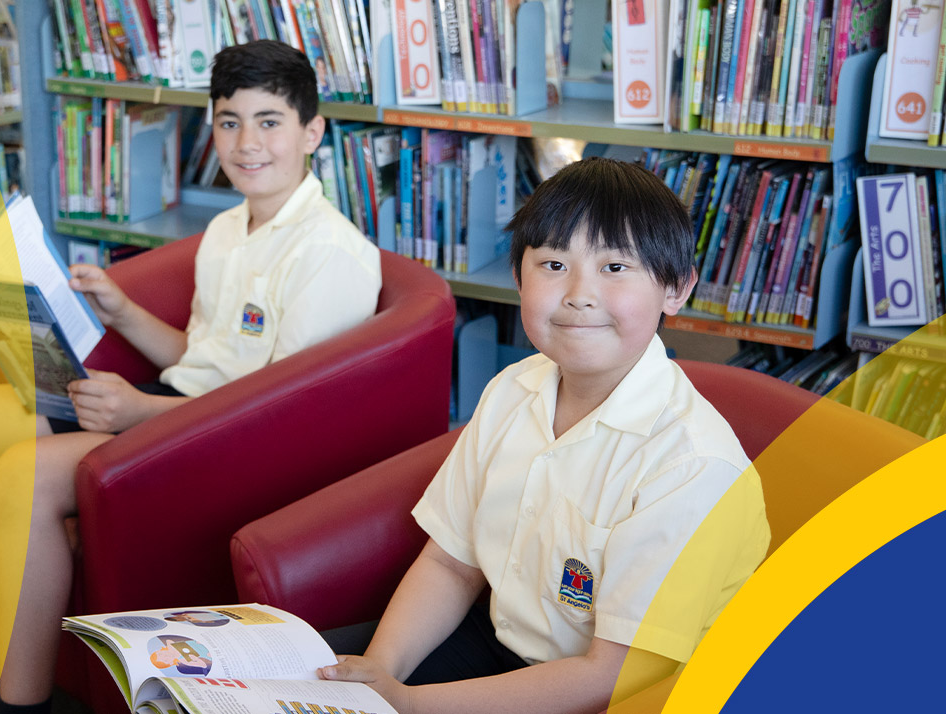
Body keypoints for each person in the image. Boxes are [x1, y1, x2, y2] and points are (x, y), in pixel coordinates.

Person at [0, 40, 382, 714]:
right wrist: (122, 310)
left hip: (229, 444)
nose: (246, 143)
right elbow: (200, 355)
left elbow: (274, 418)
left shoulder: (332, 255)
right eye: (229, 122)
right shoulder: (227, 228)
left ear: (312, 132)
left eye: (269, 122)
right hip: (182, 407)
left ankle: (19, 705)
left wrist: (139, 413)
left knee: (26, 475)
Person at [315, 158, 771, 714]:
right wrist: (380, 676)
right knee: (307, 682)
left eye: (615, 267)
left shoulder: (693, 466)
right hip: (499, 641)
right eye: (554, 264)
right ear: (519, 278)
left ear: (675, 289)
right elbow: (451, 564)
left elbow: (612, 675)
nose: (579, 293)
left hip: (616, 696)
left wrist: (407, 704)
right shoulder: (514, 388)